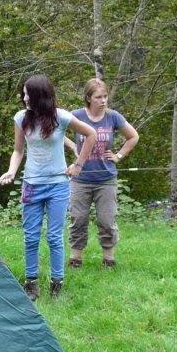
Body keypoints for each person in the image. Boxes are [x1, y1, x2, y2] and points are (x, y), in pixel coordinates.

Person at [0, 75, 96, 300]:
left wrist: (78, 165)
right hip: (32, 185)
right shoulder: (21, 118)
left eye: (27, 94)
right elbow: (18, 150)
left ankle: (57, 283)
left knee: (54, 236)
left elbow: (90, 134)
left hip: (58, 186)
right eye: (23, 93)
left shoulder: (61, 117)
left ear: (40, 96)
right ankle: (31, 283)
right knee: (30, 236)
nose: (23, 98)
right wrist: (12, 171)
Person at [66, 78, 139, 269]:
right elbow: (55, 130)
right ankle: (76, 258)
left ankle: (108, 258)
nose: (103, 100)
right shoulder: (76, 115)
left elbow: (133, 136)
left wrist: (119, 155)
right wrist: (72, 145)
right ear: (88, 98)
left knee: (107, 220)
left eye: (105, 96)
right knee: (78, 219)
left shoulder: (113, 116)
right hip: (80, 179)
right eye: (98, 97)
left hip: (106, 178)